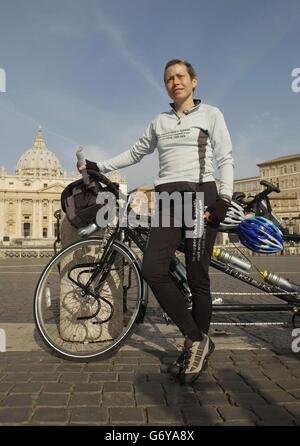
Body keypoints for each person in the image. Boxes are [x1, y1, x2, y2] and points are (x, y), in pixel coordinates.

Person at [78, 59, 234, 384]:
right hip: (167, 200)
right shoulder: (159, 122)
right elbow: (135, 153)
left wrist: (224, 199)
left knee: (196, 276)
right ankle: (197, 339)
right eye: (169, 79)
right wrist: (98, 165)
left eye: (180, 76)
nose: (174, 82)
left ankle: (193, 349)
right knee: (152, 269)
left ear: (194, 81)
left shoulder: (211, 115)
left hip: (200, 196)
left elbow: (225, 157)